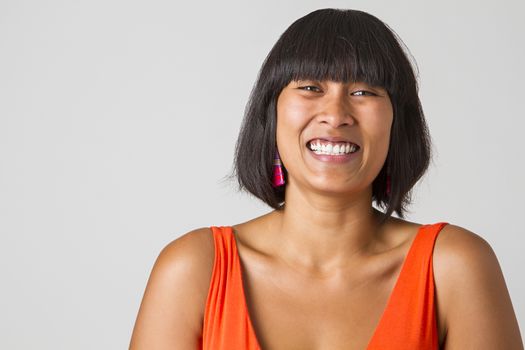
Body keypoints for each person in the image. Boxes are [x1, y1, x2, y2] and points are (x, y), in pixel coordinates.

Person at [129, 8, 523, 350]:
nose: (336, 114)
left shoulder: (454, 267)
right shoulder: (194, 269)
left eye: (364, 91)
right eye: (311, 87)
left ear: (396, 122)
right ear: (272, 114)